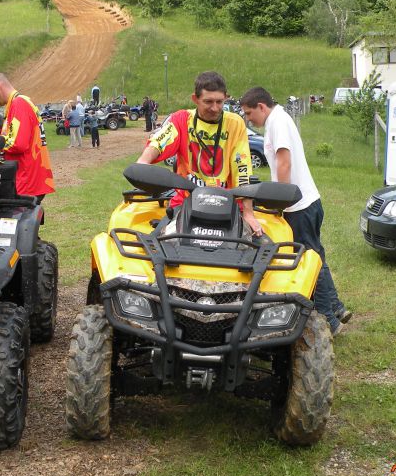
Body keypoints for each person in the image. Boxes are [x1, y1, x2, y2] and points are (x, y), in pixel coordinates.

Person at [240, 86, 351, 336]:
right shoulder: (278, 120)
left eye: (249, 113)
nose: (248, 119)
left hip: (299, 206)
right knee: (317, 257)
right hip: (308, 201)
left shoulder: (278, 121)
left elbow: (284, 161)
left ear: (261, 106)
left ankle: (327, 322)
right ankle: (336, 307)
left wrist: (280, 200)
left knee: (307, 263)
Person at [137, 70, 261, 235]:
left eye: (219, 101)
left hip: (228, 204)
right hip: (185, 203)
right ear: (195, 99)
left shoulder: (235, 123)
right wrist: (142, 163)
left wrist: (248, 213)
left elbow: (242, 168)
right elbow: (159, 142)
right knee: (160, 246)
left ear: (226, 98)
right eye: (208, 102)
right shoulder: (181, 119)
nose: (215, 108)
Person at [0, 72, 55, 202]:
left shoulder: (19, 104)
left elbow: (18, 144)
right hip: (30, 177)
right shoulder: (19, 103)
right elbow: (17, 137)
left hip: (27, 179)